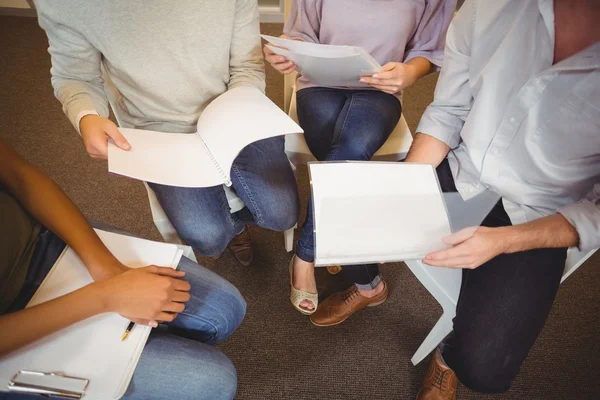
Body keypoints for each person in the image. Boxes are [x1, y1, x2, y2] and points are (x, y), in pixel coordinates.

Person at [405, 0, 600, 398]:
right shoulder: (488, 6)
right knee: (352, 221)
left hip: (539, 214)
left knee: (484, 372)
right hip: (463, 168)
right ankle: (369, 285)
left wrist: (503, 242)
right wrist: (401, 188)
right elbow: (448, 112)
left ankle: (447, 357)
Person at [34, 0, 300, 267]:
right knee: (209, 238)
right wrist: (86, 116)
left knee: (283, 214)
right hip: (157, 128)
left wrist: (232, 115)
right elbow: (74, 76)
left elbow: (247, 66)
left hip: (233, 104)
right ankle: (237, 231)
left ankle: (234, 208)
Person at [0, 137, 246, 400]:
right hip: (13, 330)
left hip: (42, 238)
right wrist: (105, 295)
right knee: (214, 383)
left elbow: (20, 176)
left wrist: (106, 268)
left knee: (228, 308)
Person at [264, 0, 455, 323]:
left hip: (380, 92)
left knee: (345, 152)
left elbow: (430, 48)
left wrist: (410, 72)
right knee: (345, 159)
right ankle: (366, 281)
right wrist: (289, 51)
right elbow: (299, 34)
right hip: (318, 87)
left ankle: (306, 255)